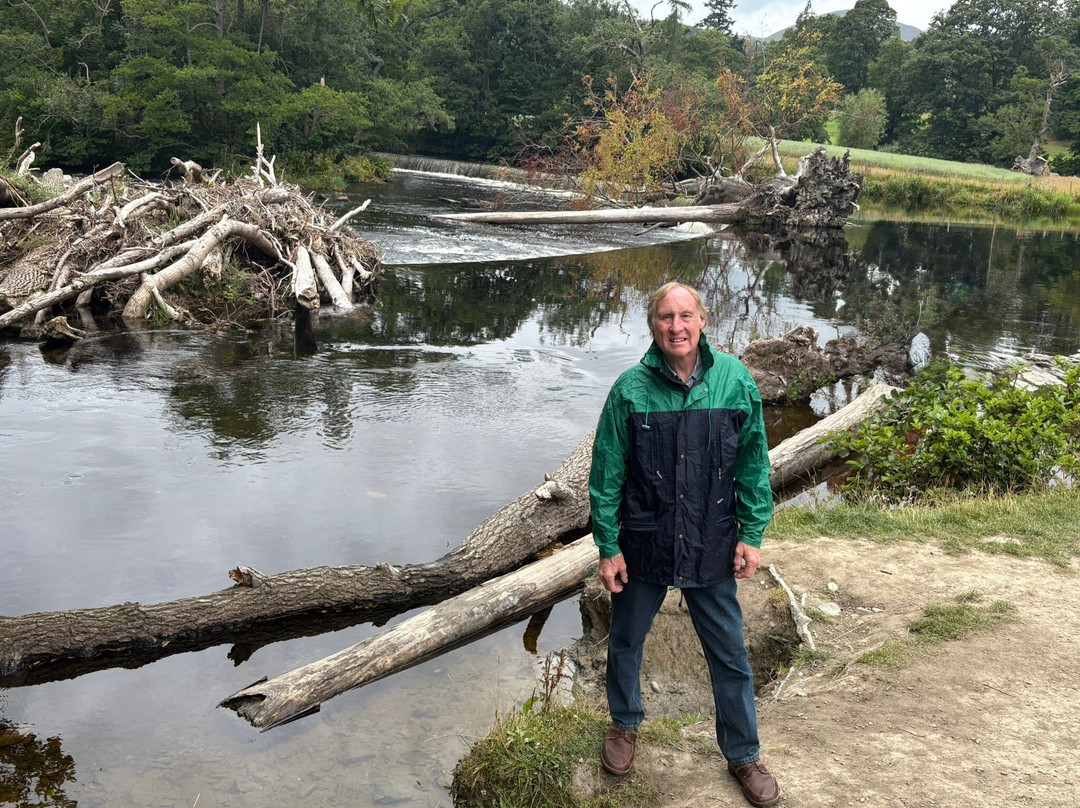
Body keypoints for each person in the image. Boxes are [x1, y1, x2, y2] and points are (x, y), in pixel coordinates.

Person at [588, 282, 780, 807]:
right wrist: (609, 546)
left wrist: (751, 534)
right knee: (626, 640)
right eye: (666, 317)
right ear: (653, 325)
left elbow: (753, 466)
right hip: (643, 543)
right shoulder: (629, 390)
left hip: (711, 542)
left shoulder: (735, 382)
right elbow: (605, 475)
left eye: (686, 315)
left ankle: (743, 755)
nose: (677, 326)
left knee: (731, 654)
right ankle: (624, 725)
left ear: (702, 320)